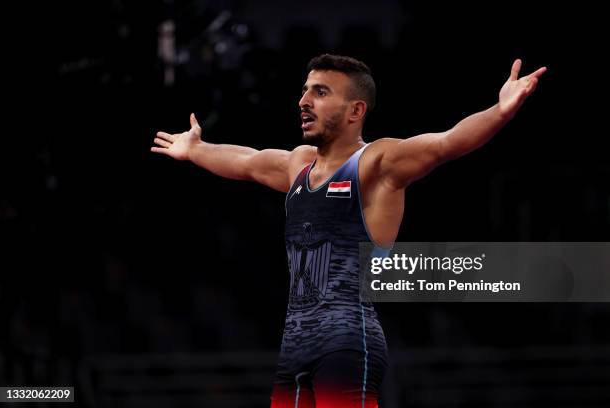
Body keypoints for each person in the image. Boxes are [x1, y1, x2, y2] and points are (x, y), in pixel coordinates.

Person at [151, 54, 546, 408]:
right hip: (294, 347)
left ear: (356, 109)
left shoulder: (376, 162)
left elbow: (446, 143)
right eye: (305, 90)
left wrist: (500, 110)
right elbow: (248, 161)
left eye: (320, 92)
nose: (303, 101)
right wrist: (197, 150)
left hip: (345, 341)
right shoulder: (299, 166)